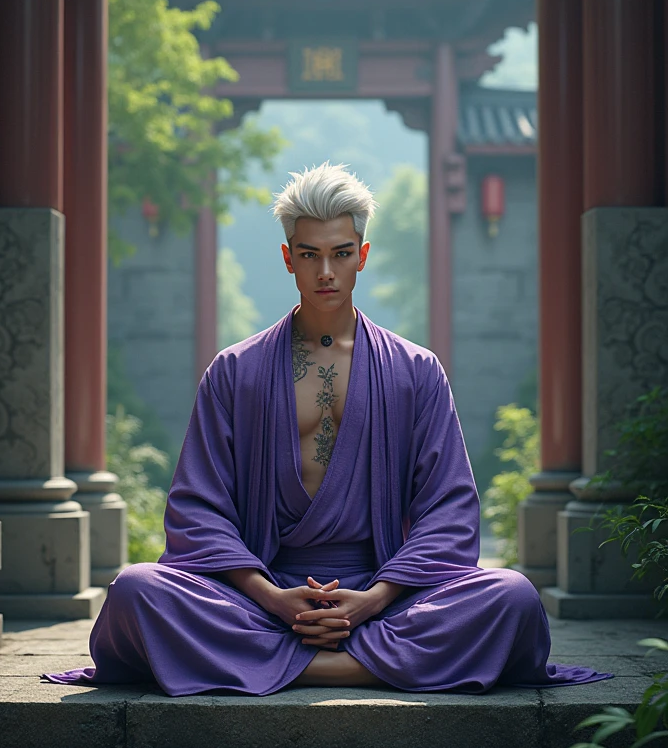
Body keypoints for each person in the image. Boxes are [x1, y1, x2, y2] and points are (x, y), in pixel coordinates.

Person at [45, 163, 611, 696]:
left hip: (382, 592)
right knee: (136, 591)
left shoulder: (416, 371)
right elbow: (197, 510)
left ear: (361, 256)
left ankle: (281, 666)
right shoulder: (234, 371)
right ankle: (364, 666)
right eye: (309, 255)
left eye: (340, 254)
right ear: (288, 258)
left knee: (510, 597)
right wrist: (273, 598)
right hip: (263, 593)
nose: (324, 273)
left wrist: (370, 600)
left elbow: (449, 511)